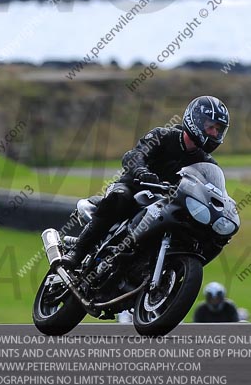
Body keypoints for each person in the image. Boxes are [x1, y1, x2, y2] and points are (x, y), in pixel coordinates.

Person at [60, 95, 230, 270]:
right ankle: (78, 252)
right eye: (211, 127)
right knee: (120, 197)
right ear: (196, 120)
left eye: (219, 129)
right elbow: (135, 155)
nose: (214, 133)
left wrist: (224, 208)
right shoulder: (163, 136)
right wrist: (141, 171)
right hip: (135, 188)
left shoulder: (207, 163)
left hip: (166, 204)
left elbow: (213, 188)